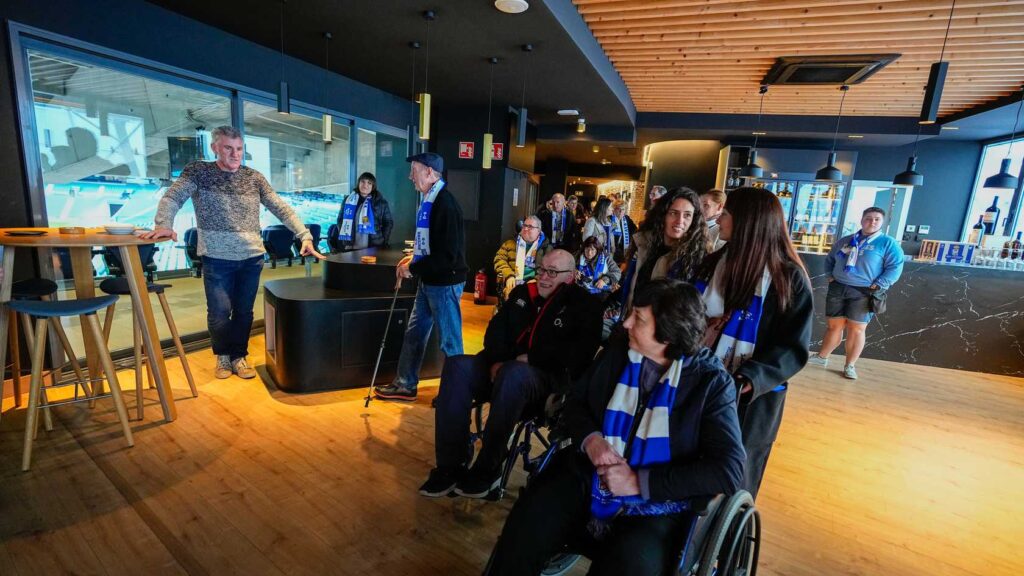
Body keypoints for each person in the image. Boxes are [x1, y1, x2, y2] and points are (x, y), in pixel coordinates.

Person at [488, 279, 745, 575]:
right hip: (589, 475)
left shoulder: (711, 383)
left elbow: (729, 470)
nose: (626, 324)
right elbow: (575, 402)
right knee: (526, 525)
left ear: (669, 334)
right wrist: (591, 440)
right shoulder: (619, 352)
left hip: (658, 502)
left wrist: (638, 482)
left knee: (626, 564)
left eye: (639, 319)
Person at [143, 125, 323, 380]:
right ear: (214, 148)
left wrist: (304, 235)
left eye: (239, 148)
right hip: (216, 257)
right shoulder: (198, 171)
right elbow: (173, 197)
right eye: (228, 148)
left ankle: (239, 356)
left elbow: (281, 208)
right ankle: (223, 356)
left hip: (252, 257)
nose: (235, 154)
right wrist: (163, 224)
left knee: (244, 311)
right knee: (219, 312)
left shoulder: (254, 177)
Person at [421, 250, 603, 498]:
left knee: (513, 374)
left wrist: (533, 358)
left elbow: (579, 355)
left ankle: (489, 469)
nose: (543, 277)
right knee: (456, 366)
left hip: (546, 381)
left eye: (552, 272)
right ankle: (450, 466)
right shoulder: (521, 294)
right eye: (541, 269)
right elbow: (494, 333)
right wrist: (498, 360)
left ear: (570, 276)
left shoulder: (585, 305)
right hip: (502, 368)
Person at [694, 186, 812, 500]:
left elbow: (793, 347)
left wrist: (750, 378)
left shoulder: (788, 279)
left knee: (735, 476)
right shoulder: (713, 263)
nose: (719, 219)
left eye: (727, 213)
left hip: (748, 400)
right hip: (699, 382)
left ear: (749, 222)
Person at [374, 152, 468, 401]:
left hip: (445, 283)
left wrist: (414, 269)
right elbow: (429, 246)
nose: (410, 176)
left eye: (414, 171)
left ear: (429, 172)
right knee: (415, 333)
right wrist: (413, 259)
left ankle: (456, 393)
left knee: (450, 341)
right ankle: (405, 384)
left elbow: (447, 255)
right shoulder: (431, 199)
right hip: (430, 281)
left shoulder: (445, 204)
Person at [810, 207, 905, 380]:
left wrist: (880, 284)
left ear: (882, 222)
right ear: (862, 220)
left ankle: (850, 366)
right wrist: (830, 275)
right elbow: (830, 259)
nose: (872, 222)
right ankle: (822, 358)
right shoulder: (847, 240)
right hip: (838, 288)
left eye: (876, 219)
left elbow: (895, 266)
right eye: (868, 218)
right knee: (834, 326)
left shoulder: (888, 243)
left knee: (857, 329)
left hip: (864, 292)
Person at [622, 187, 707, 314]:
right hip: (633, 319)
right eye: (674, 213)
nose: (680, 221)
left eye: (687, 215)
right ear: (663, 214)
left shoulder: (696, 257)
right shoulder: (644, 244)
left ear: (694, 220)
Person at [493, 215, 549, 300]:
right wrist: (509, 275)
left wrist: (537, 280)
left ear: (538, 231)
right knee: (510, 295)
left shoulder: (547, 248)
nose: (525, 229)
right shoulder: (510, 243)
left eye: (530, 227)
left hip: (534, 284)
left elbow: (549, 270)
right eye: (524, 225)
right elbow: (499, 259)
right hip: (513, 281)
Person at [335, 171, 394, 251]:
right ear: (358, 183)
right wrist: (344, 235)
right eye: (363, 182)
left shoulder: (380, 202)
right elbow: (340, 219)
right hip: (351, 247)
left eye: (369, 183)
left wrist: (383, 240)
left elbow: (388, 222)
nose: (365, 185)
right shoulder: (349, 200)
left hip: (373, 247)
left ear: (373, 186)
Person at [609, 200, 637, 265]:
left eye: (623, 209)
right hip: (612, 251)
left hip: (624, 251)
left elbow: (635, 230)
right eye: (619, 209)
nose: (621, 212)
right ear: (614, 209)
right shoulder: (610, 219)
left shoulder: (627, 219)